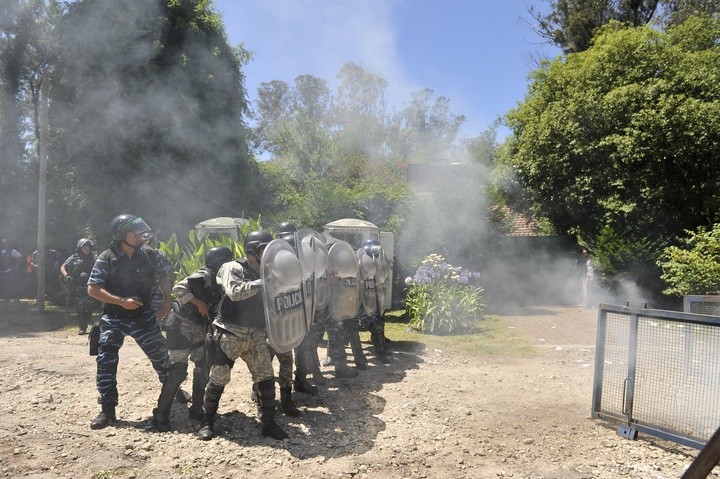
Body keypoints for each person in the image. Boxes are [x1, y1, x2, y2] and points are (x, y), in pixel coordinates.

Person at [197, 230, 288, 441]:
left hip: (256, 335)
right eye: (265, 250)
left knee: (265, 378)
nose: (270, 255)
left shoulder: (268, 271)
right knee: (218, 379)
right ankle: (207, 422)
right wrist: (264, 282)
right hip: (231, 334)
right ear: (252, 250)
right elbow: (235, 292)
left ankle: (269, 424)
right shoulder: (233, 267)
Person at [86, 214, 171, 430]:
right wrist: (121, 301)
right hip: (114, 317)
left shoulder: (151, 255)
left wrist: (167, 299)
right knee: (106, 361)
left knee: (162, 358)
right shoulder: (107, 257)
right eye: (135, 233)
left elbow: (163, 275)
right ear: (122, 235)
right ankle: (107, 410)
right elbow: (93, 289)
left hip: (143, 316)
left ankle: (172, 392)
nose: (140, 236)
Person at [151, 246, 234, 431]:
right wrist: (198, 303)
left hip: (199, 328)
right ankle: (161, 414)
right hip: (180, 325)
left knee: (203, 367)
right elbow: (179, 288)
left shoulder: (221, 278)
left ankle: (197, 408)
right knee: (178, 371)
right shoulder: (204, 274)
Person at [358, 239, 391, 363]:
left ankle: (381, 351)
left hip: (375, 299)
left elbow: (382, 279)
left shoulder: (378, 260)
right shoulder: (360, 260)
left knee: (378, 325)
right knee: (344, 328)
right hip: (362, 300)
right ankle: (332, 355)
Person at [61, 238, 99, 334]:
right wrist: (66, 276)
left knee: (90, 305)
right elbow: (63, 267)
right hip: (78, 285)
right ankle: (82, 327)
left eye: (88, 247)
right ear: (80, 248)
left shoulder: (94, 258)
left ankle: (89, 317)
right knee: (80, 306)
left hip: (90, 285)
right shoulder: (73, 257)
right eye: (84, 247)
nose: (87, 249)